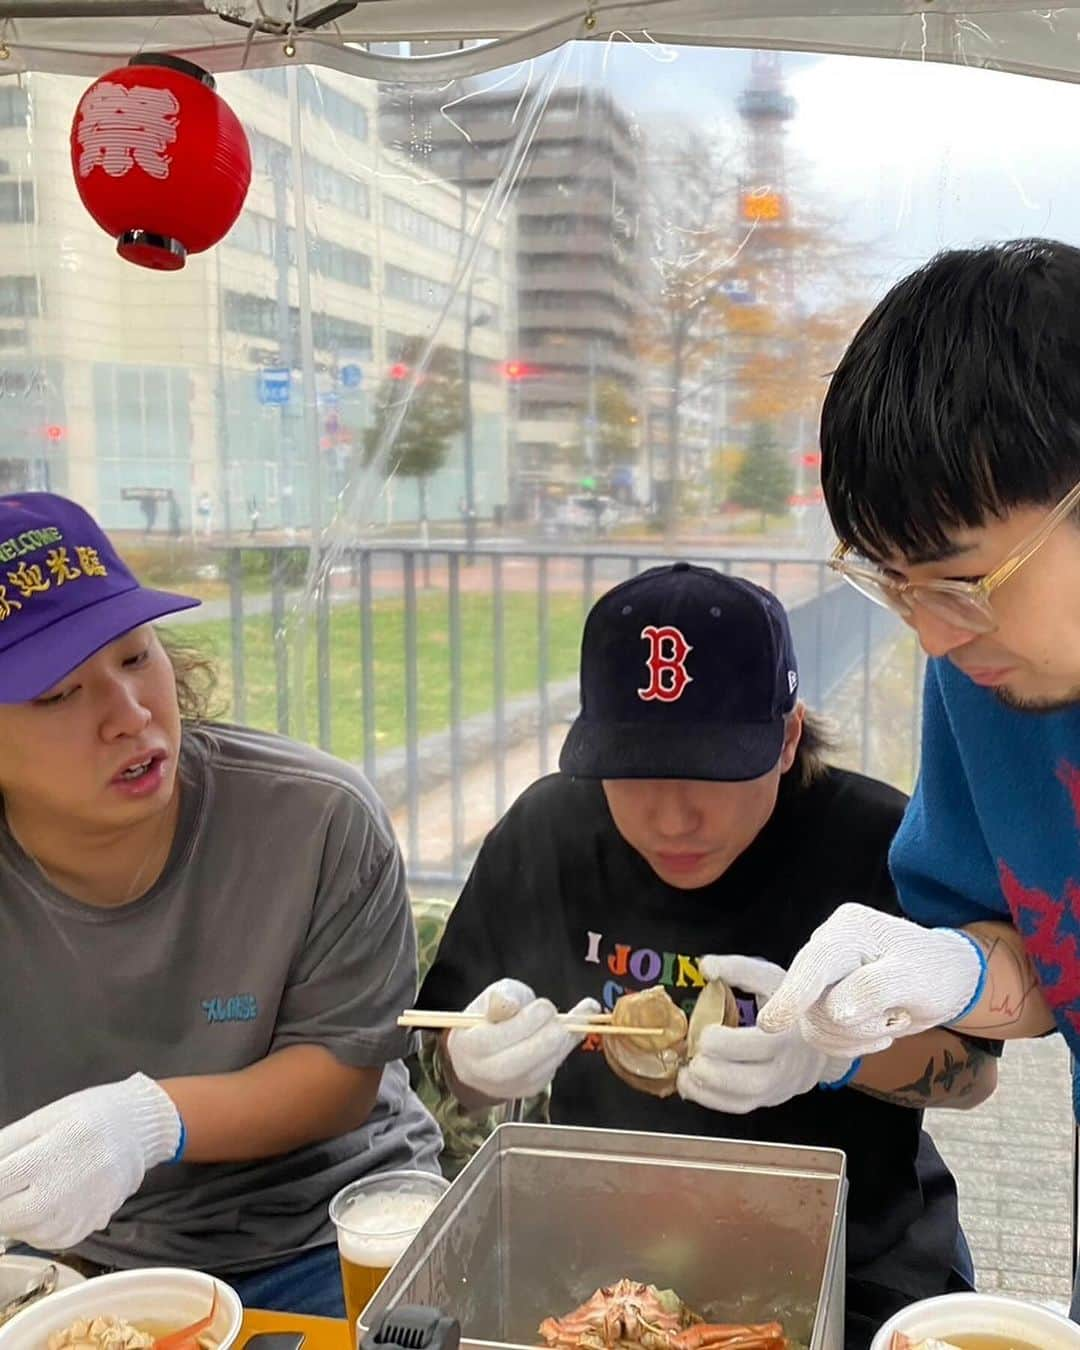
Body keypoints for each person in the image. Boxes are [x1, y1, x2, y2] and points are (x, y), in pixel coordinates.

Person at [418, 562, 997, 1350]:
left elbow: (973, 1072)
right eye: (633, 770)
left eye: (711, 770)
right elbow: (443, 1051)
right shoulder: (548, 833)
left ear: (788, 736)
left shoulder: (873, 844)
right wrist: (473, 1061)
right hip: (597, 1263)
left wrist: (833, 1059)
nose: (671, 817)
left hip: (852, 1253)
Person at [0, 492, 441, 1316]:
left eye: (135, 658)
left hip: (329, 1232)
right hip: (68, 1260)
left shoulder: (315, 818)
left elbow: (342, 1077)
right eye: (58, 695)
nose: (129, 717)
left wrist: (145, 1121)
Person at [754, 241, 1080, 1131]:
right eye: (896, 587)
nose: (935, 636)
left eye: (960, 582)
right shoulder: (984, 684)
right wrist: (947, 973)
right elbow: (1047, 968)